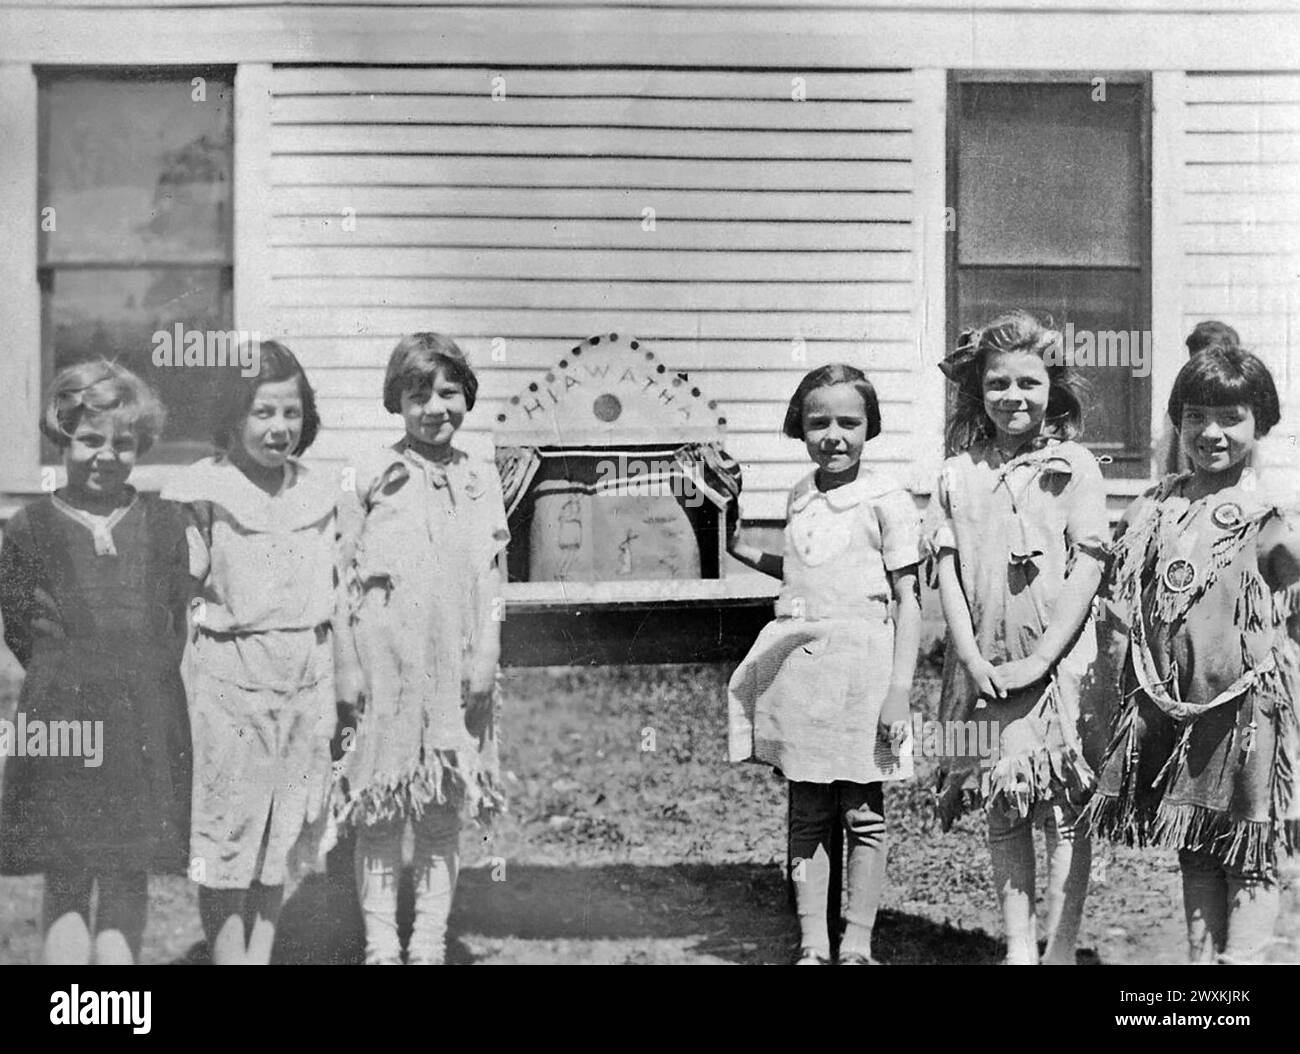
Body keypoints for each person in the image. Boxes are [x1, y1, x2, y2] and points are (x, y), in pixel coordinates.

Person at [1085, 345, 1300, 963]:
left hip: (1246, 719)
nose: (1211, 432)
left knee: (1248, 851)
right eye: (1196, 415)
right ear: (1177, 420)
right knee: (1197, 846)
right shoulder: (1152, 508)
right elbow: (1114, 600)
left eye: (1230, 417)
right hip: (1175, 713)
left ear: (1260, 423)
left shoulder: (1268, 516)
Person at [927, 311, 1109, 965]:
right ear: (978, 390)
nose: (1013, 397)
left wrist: (1042, 656)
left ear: (1051, 389)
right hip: (990, 667)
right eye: (998, 383)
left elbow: (1089, 563)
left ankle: (1060, 946)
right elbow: (944, 569)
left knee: (1063, 801)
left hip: (1059, 666)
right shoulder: (958, 474)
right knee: (1006, 801)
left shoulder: (1074, 466)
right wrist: (974, 658)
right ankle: (1020, 945)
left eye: (1028, 383)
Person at [727, 363, 922, 965]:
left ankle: (858, 941)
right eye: (818, 423)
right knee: (808, 811)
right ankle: (814, 941)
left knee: (862, 812)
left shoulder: (886, 499)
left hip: (864, 674)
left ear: (870, 427)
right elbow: (800, 569)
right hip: (804, 671)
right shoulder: (800, 495)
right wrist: (735, 544)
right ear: (799, 428)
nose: (834, 435)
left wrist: (899, 691)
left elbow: (910, 601)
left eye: (849, 422)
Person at [0, 360, 191, 964]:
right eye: (90, 440)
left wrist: (138, 673)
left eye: (123, 443)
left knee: (129, 870)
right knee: (65, 870)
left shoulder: (164, 523)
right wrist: (67, 670)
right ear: (62, 437)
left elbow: (171, 618)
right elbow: (18, 626)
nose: (106, 455)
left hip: (143, 718)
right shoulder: (27, 528)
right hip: (62, 721)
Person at [162, 340, 344, 965]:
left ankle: (262, 953)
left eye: (291, 413)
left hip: (306, 679)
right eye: (263, 412)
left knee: (283, 826)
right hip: (227, 681)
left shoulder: (320, 494)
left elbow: (337, 596)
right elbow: (177, 595)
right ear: (234, 416)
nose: (278, 428)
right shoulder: (203, 493)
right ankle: (228, 958)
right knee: (228, 830)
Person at [334, 333, 509, 965]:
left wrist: (485, 655)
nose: (435, 407)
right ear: (396, 402)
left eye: (449, 392)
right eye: (418, 395)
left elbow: (493, 577)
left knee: (440, 807)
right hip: (386, 668)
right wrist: (346, 668)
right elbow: (344, 577)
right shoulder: (372, 472)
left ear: (466, 397)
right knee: (381, 806)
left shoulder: (481, 477)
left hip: (454, 669)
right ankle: (382, 942)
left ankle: (428, 939)